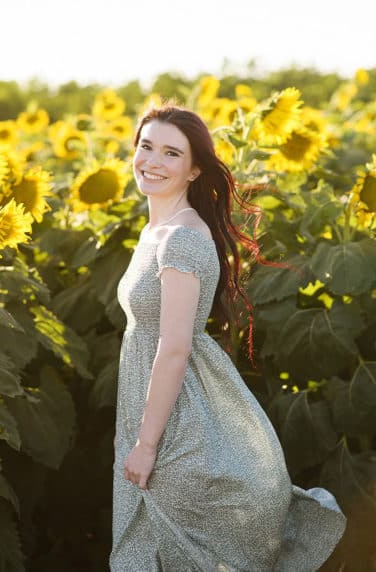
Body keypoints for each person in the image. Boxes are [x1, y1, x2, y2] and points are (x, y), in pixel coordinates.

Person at [111, 104, 345, 569]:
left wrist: (147, 444)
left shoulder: (180, 238)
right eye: (146, 146)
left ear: (194, 169)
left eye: (171, 153)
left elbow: (175, 348)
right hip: (149, 410)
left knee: (174, 551)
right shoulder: (155, 231)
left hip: (178, 425)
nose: (152, 161)